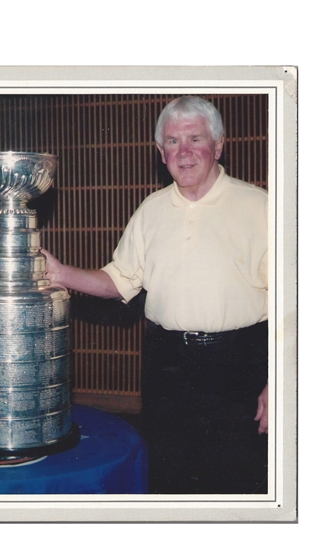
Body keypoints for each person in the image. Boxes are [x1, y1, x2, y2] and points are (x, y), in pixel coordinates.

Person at [42, 96, 269, 494]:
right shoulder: (150, 209)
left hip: (242, 365)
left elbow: (293, 301)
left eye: (195, 139)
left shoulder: (261, 207)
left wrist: (283, 379)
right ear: (161, 152)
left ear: (218, 146)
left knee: (239, 481)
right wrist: (61, 274)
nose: (183, 152)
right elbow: (120, 280)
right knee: (169, 477)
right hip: (167, 363)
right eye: (172, 142)